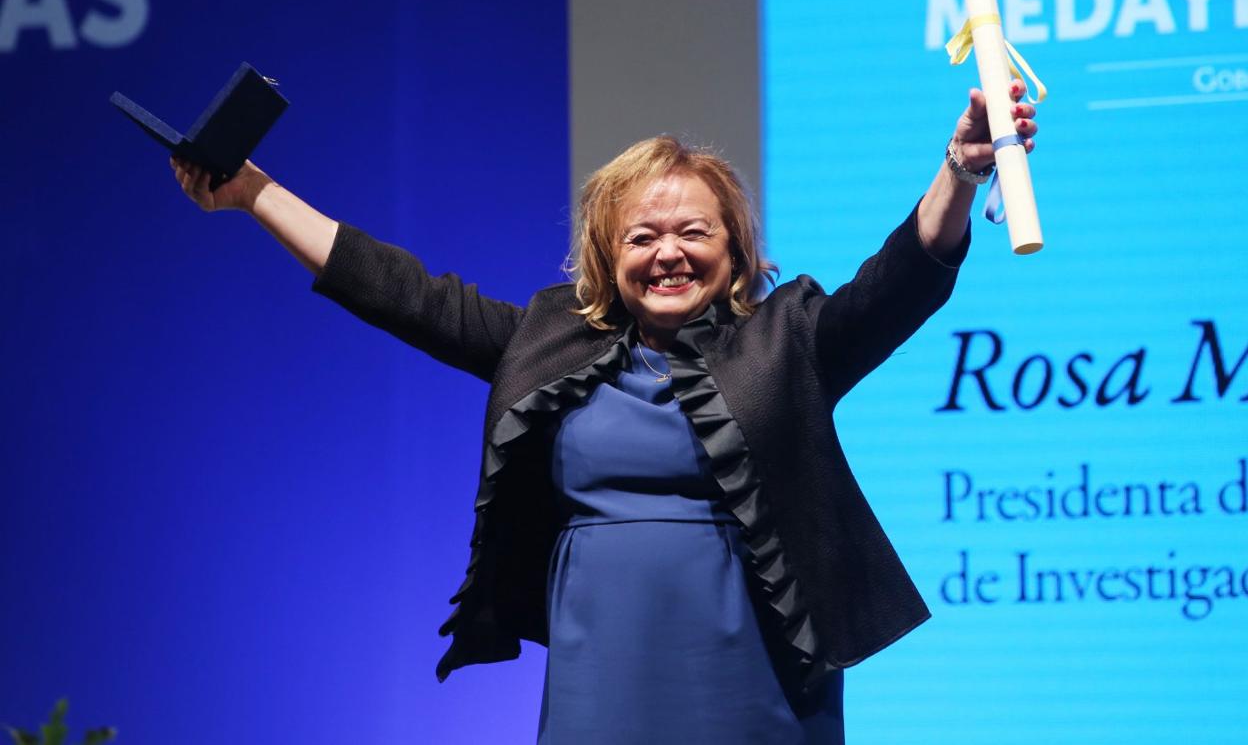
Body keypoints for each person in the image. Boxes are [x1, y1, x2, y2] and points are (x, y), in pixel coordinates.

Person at [170, 80, 1038, 743]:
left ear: (735, 251)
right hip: (606, 667)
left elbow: (897, 284)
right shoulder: (549, 340)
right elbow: (401, 293)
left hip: (757, 671)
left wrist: (960, 172)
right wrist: (252, 191)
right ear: (605, 256)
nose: (669, 253)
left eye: (695, 232)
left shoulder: (789, 338)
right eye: (642, 236)